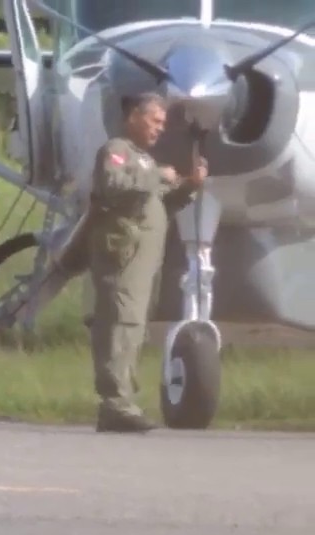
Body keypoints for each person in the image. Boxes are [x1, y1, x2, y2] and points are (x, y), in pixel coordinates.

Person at [83, 92, 206, 433]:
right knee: (119, 325)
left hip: (141, 262)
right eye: (155, 121)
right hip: (121, 259)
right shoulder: (117, 151)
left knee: (133, 328)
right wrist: (158, 177)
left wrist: (189, 186)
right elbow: (112, 184)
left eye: (162, 123)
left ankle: (122, 401)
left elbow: (160, 203)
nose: (159, 129)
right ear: (134, 116)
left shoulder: (145, 161)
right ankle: (115, 403)